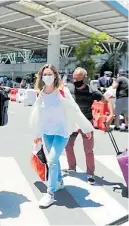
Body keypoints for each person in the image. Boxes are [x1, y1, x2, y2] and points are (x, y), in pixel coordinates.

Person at [31, 64, 94, 208]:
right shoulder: (40, 93)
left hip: (62, 132)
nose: (47, 77)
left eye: (49, 74)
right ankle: (59, 182)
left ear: (55, 76)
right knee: (55, 159)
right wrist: (37, 134)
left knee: (52, 160)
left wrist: (85, 128)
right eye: (44, 74)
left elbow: (75, 110)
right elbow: (37, 115)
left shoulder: (63, 91)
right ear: (41, 77)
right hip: (47, 132)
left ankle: (50, 193)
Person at [65, 67, 114, 185]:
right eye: (74, 78)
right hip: (72, 122)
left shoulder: (92, 91)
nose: (76, 81)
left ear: (85, 78)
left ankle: (90, 173)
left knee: (88, 150)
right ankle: (72, 167)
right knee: (67, 146)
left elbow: (107, 100)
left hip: (86, 123)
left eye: (79, 78)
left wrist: (111, 114)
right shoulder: (69, 88)